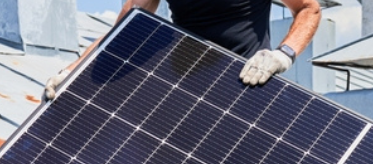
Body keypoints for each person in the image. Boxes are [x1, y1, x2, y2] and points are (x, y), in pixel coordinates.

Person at [45, 0, 321, 99]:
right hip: (186, 90)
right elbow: (126, 26)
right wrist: (72, 71)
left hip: (247, 87)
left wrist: (283, 55)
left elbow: (308, 8)